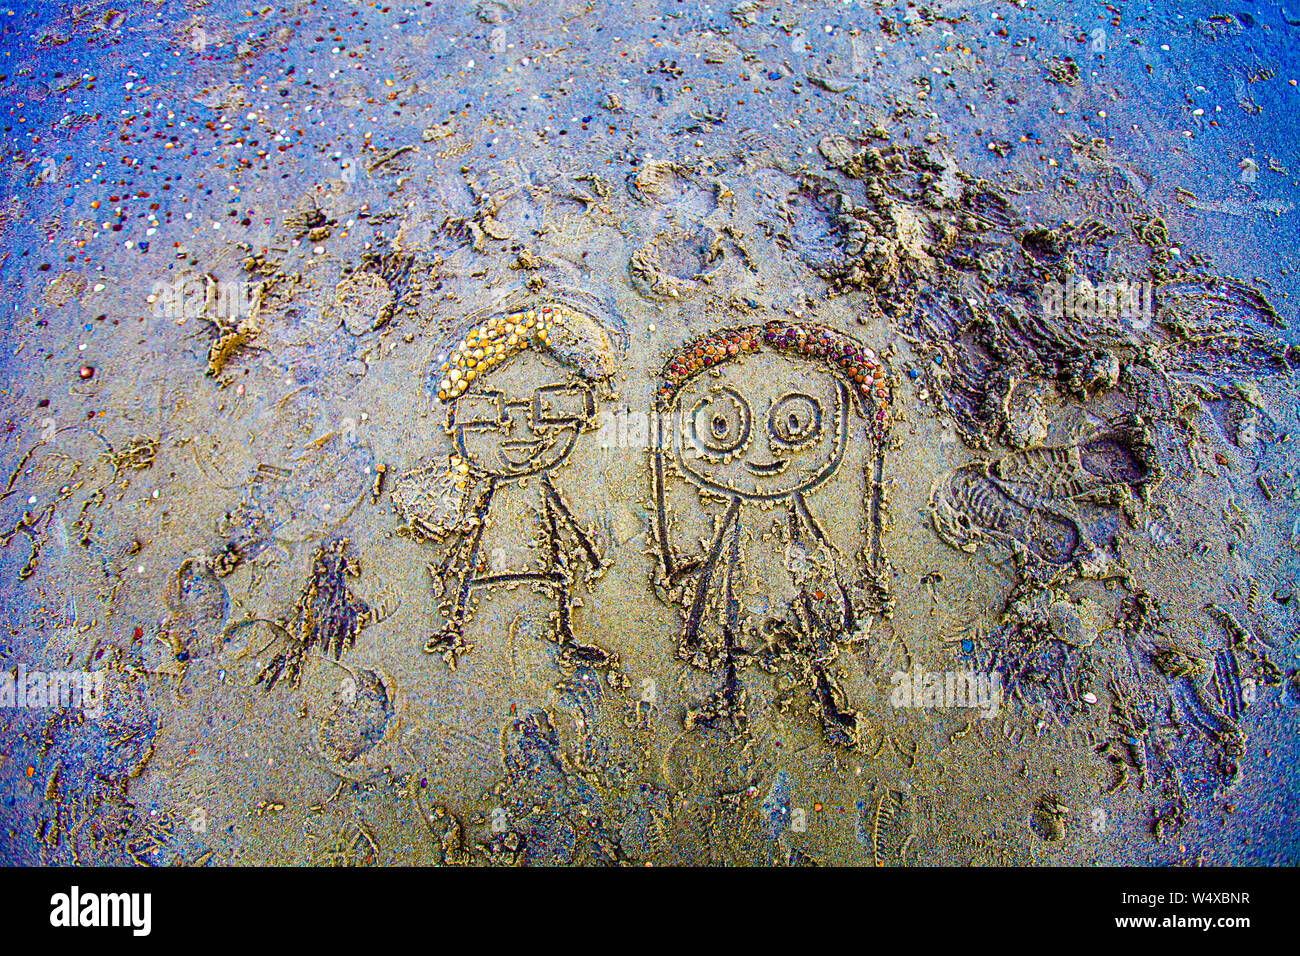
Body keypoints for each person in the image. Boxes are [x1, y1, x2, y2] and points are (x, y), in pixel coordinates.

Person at [651, 319, 891, 745]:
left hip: (791, 549)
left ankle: (824, 693)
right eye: (720, 426)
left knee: (810, 615)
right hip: (740, 550)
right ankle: (729, 691)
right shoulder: (731, 515)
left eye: (794, 424)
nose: (762, 452)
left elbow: (823, 545)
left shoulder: (804, 516)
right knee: (729, 614)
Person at [393, 300, 618, 671]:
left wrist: (588, 550)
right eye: (487, 415)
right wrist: (590, 551)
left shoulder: (535, 483)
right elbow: (472, 533)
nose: (519, 428)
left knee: (556, 570)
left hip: (535, 546)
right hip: (492, 550)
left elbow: (561, 514)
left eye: (550, 409)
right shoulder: (491, 490)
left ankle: (564, 632)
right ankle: (456, 625)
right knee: (476, 568)